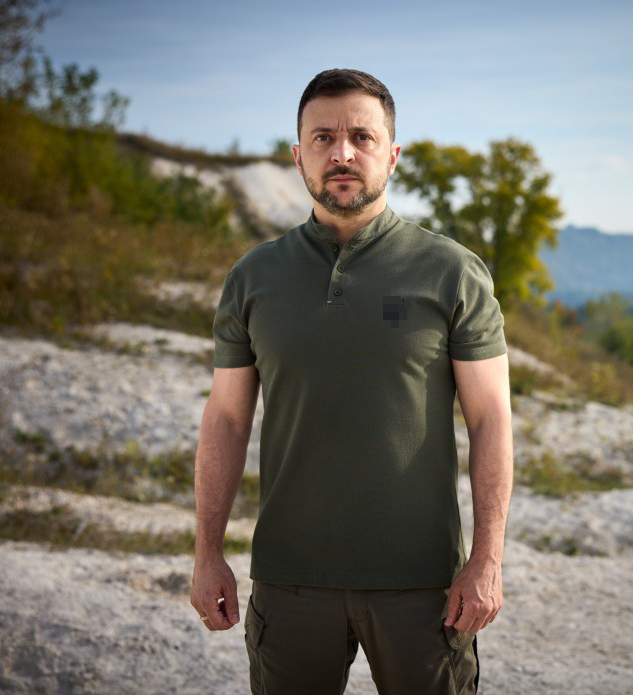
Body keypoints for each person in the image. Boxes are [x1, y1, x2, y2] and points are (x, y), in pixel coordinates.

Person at [190, 68, 513, 695]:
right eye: (323, 138)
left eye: (362, 137)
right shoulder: (254, 277)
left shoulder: (452, 272)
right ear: (298, 156)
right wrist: (207, 554)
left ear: (392, 155)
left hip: (423, 583)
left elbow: (491, 419)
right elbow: (226, 418)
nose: (342, 153)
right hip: (289, 579)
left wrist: (487, 560)